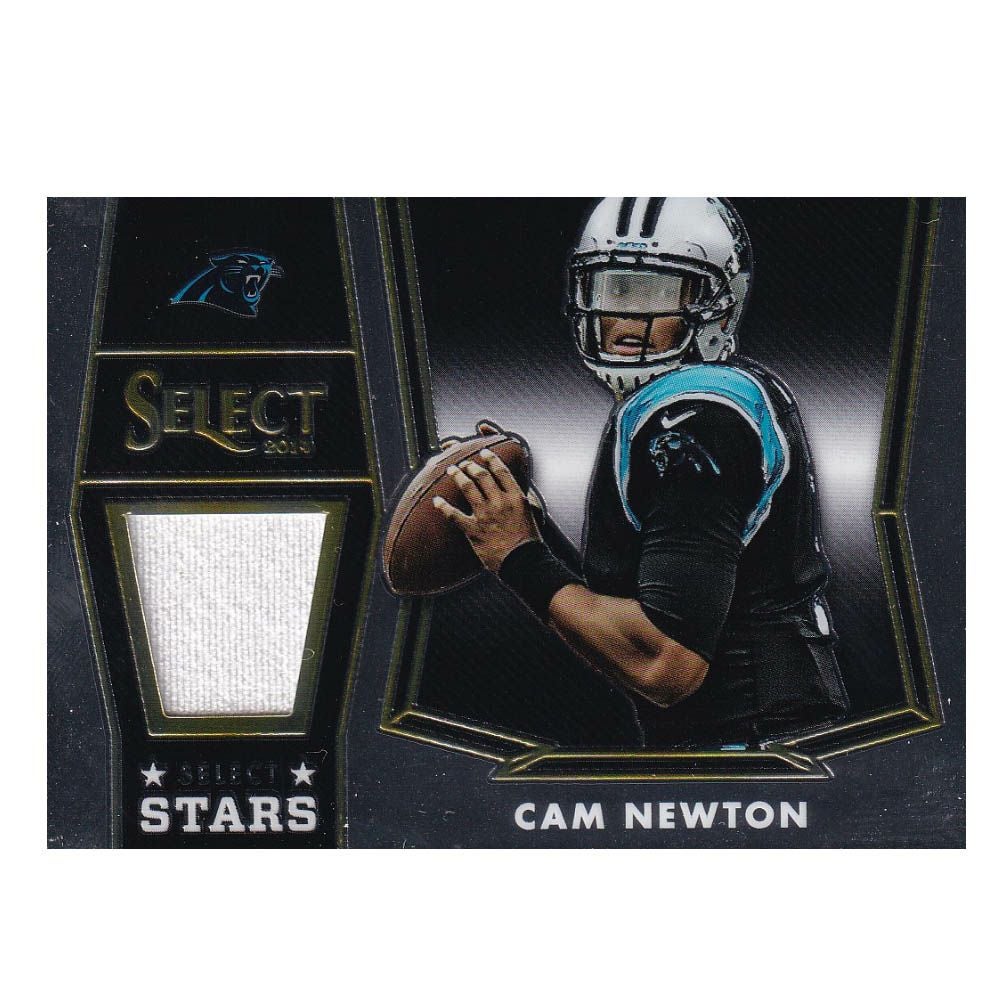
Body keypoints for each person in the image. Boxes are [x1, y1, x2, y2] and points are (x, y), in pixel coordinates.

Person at [433, 197, 849, 748]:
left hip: (748, 748)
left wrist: (519, 557)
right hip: (750, 738)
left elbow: (666, 664)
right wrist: (524, 521)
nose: (628, 321)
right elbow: (625, 604)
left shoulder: (694, 419)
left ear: (719, 309)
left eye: (656, 294)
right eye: (615, 291)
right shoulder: (698, 401)